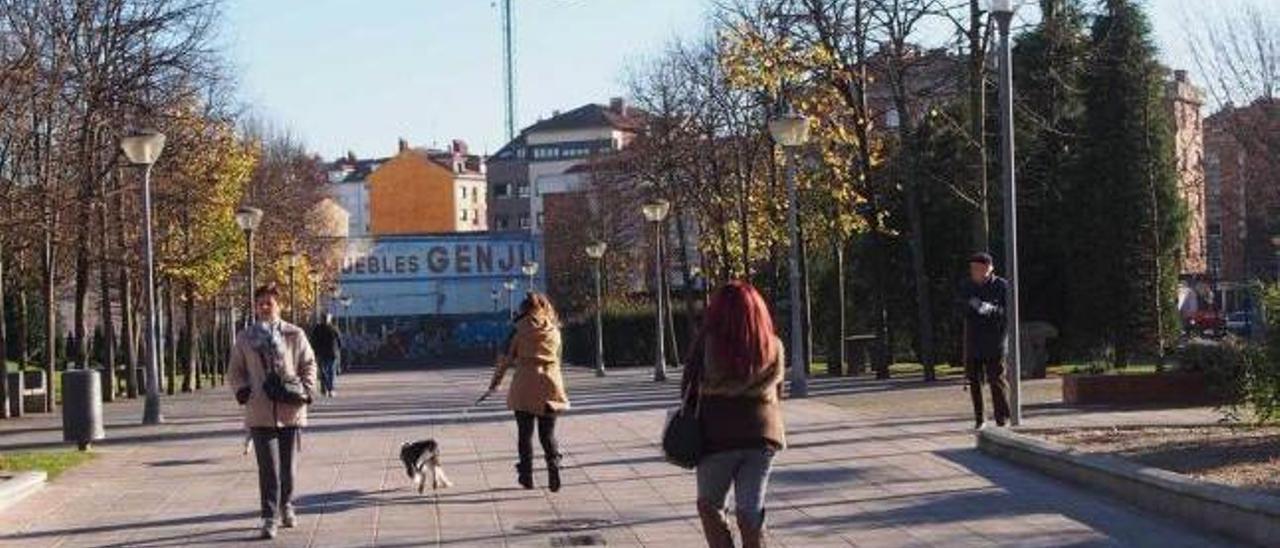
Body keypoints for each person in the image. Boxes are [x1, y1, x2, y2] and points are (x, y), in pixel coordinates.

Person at [683, 281, 786, 548]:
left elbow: (687, 388)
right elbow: (779, 392)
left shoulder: (706, 344)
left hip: (717, 439)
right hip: (762, 437)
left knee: (710, 506)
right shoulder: (772, 345)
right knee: (750, 510)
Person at [229, 284, 318, 540]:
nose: (265, 307)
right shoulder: (245, 337)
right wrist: (242, 390)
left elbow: (309, 363)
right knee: (268, 468)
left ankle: (287, 504)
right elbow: (235, 370)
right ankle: (269, 518)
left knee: (288, 467)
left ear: (279, 305)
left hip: (290, 408)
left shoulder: (295, 334)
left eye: (269, 303)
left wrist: (308, 390)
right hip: (259, 410)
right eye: (260, 304)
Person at [484, 293, 569, 492]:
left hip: (524, 385)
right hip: (550, 385)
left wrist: (494, 384)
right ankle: (554, 464)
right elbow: (559, 358)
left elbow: (504, 359)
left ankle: (526, 476)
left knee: (525, 434)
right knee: (547, 434)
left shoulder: (516, 330)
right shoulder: (554, 330)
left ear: (523, 309)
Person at [959, 252, 1011, 429]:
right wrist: (970, 305)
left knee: (996, 380)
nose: (975, 272)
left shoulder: (1002, 286)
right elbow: (962, 307)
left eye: (978, 268)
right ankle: (980, 419)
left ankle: (1002, 418)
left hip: (995, 339)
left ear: (989, 268)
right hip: (974, 339)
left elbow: (1007, 312)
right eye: (972, 269)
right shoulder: (967, 286)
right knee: (974, 381)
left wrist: (990, 309)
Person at [309, 314, 342, 397]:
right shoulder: (333, 328)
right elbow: (339, 340)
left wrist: (314, 349)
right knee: (329, 372)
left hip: (325, 353)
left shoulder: (318, 328)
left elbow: (312, 340)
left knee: (325, 372)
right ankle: (329, 389)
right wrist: (338, 349)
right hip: (329, 353)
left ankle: (326, 389)